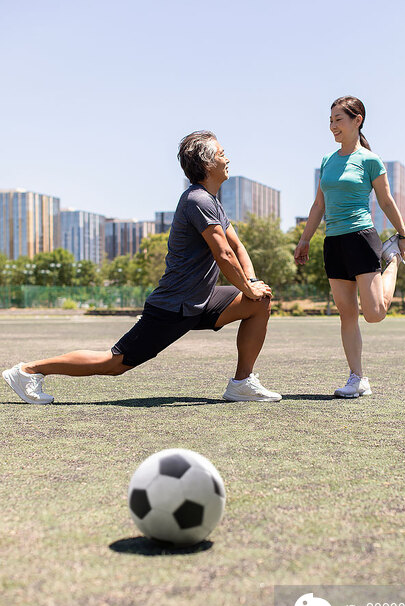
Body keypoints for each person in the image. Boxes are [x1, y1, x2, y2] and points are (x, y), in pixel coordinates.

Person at [3, 131, 281, 404]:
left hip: (200, 300)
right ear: (208, 164)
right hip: (174, 306)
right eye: (222, 154)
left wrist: (253, 284)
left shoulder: (212, 202)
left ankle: (242, 383)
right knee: (114, 363)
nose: (227, 158)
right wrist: (246, 286)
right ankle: (28, 371)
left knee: (259, 302)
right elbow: (223, 255)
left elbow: (237, 247)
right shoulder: (197, 200)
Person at [294, 96, 405, 398]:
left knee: (375, 313)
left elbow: (385, 200)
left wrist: (402, 233)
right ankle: (357, 378)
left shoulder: (370, 160)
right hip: (334, 243)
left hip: (361, 237)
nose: (333, 126)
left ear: (357, 120)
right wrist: (305, 238)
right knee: (347, 315)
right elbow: (319, 204)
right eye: (330, 120)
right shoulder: (327, 161)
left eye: (339, 119)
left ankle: (392, 258)